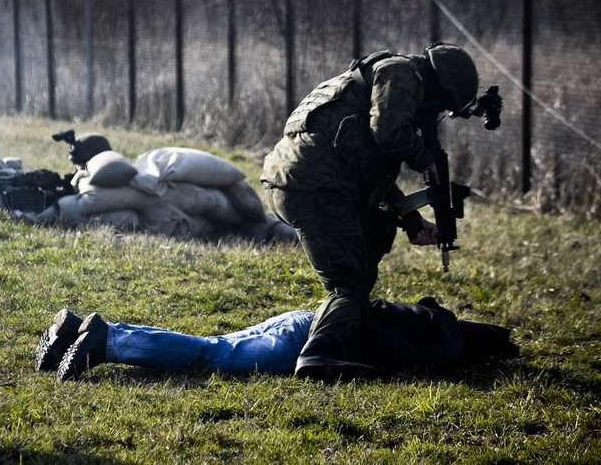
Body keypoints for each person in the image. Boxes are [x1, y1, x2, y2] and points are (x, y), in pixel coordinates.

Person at [260, 42, 483, 382]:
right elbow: (390, 135)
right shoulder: (401, 72)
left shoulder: (387, 80)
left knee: (376, 232)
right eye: (439, 106)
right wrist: (425, 158)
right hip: (314, 190)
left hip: (314, 184)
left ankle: (347, 336)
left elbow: (368, 171)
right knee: (347, 283)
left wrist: (410, 218)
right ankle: (319, 355)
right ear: (438, 86)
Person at [34, 297, 518, 382]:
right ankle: (106, 342)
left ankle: (78, 327)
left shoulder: (429, 316)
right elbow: (395, 352)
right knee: (211, 355)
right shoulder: (443, 346)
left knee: (211, 344)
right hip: (305, 343)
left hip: (304, 320)